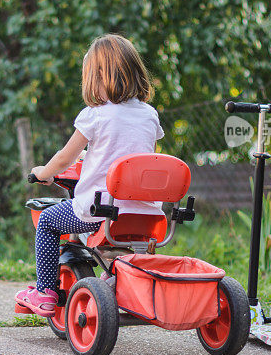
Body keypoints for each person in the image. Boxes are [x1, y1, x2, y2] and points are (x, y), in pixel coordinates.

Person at [15, 33, 165, 317]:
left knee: (47, 221)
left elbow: (64, 158)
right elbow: (136, 156)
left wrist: (43, 173)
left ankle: (45, 291)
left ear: (98, 76)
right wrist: (94, 157)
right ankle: (113, 278)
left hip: (101, 210)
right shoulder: (149, 115)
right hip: (145, 213)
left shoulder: (95, 115)